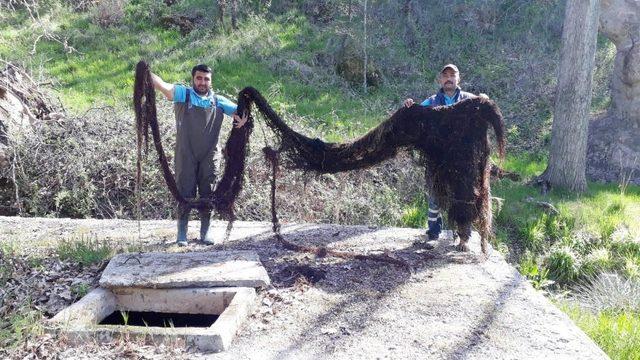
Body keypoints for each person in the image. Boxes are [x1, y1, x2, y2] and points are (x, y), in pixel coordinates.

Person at [151, 64, 247, 246]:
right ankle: (182, 233)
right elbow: (162, 85)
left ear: (211, 81)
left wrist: (243, 119)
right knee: (184, 192)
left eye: (206, 79)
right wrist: (144, 72)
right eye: (199, 78)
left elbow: (242, 111)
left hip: (210, 155)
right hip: (185, 153)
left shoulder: (218, 101)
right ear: (193, 79)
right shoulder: (183, 94)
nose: (203, 82)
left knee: (208, 192)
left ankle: (206, 232)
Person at [403, 64, 477, 241]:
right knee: (435, 196)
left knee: (462, 196)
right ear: (440, 79)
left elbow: (484, 103)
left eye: (452, 75)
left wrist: (484, 98)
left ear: (458, 78)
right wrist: (409, 105)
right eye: (445, 76)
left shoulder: (469, 99)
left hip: (462, 161)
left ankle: (464, 235)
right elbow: (416, 113)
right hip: (437, 160)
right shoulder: (432, 101)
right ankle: (433, 232)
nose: (449, 78)